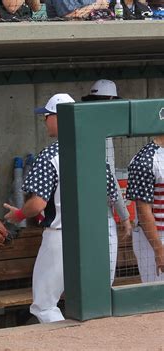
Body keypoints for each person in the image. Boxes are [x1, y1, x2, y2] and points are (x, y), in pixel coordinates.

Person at [4, 93, 119, 323]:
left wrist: (18, 214)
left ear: (59, 117)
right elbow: (111, 195)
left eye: (47, 116)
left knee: (44, 305)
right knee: (97, 303)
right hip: (98, 237)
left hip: (61, 237)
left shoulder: (49, 156)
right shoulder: (94, 149)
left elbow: (37, 204)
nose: (45, 120)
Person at [82, 79, 133, 284]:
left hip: (79, 217)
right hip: (100, 217)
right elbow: (109, 180)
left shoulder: (81, 125)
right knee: (103, 281)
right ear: (111, 101)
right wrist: (125, 216)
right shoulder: (101, 133)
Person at [126, 137, 164, 283]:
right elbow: (143, 211)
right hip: (156, 238)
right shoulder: (145, 159)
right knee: (157, 296)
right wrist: (158, 250)